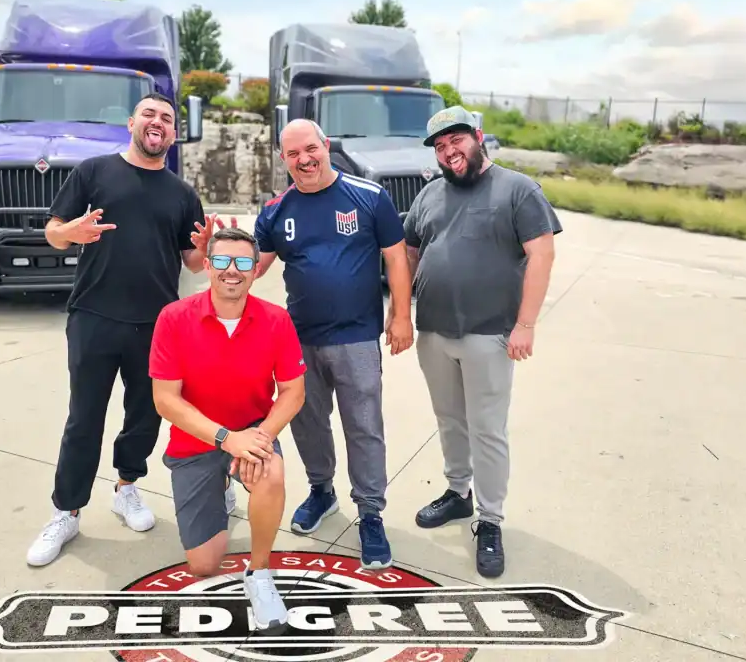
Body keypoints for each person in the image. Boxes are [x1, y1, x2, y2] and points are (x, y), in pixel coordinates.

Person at [26, 91, 231, 568]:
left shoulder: (182, 194)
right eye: (149, 115)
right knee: (84, 419)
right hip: (94, 316)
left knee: (145, 416)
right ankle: (67, 511)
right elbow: (54, 231)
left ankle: (127, 488)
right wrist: (68, 233)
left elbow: (194, 264)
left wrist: (204, 248)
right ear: (132, 123)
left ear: (174, 134)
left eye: (166, 118)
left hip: (157, 325)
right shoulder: (94, 172)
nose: (157, 122)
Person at [400, 105, 562, 579]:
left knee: (487, 428)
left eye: (457, 140)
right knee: (449, 419)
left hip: (490, 331)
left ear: (478, 136)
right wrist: (401, 314)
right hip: (434, 330)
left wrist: (526, 324)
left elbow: (542, 253)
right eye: (441, 145)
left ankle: (489, 520)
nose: (450, 151)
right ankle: (457, 493)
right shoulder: (429, 195)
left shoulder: (518, 189)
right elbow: (409, 253)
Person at [253, 118, 414, 570]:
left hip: (357, 337)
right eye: (292, 154)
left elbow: (396, 257)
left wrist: (401, 315)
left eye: (310, 149)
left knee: (363, 427)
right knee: (308, 423)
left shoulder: (368, 196)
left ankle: (369, 514)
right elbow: (254, 268)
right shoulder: (276, 210)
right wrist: (219, 254)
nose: (304, 160)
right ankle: (321, 490)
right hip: (298, 341)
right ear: (282, 160)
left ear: (326, 146)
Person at [150, 226, 307, 632]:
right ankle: (222, 486)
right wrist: (226, 439)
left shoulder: (276, 320)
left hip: (253, 432)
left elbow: (293, 392)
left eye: (242, 262)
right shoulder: (174, 317)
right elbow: (165, 400)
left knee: (271, 471)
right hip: (197, 442)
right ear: (207, 266)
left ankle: (259, 573)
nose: (231, 270)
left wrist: (262, 437)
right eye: (221, 260)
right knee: (203, 565)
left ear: (256, 269)